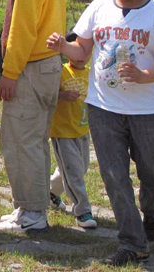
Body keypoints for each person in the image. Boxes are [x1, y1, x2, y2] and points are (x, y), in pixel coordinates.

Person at [46, 0, 154, 267]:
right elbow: (82, 52)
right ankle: (133, 243)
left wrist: (144, 74)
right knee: (115, 177)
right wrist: (62, 46)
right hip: (103, 109)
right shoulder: (98, 7)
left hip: (145, 111)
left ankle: (151, 212)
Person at [0, 0, 67, 233]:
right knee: (34, 141)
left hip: (30, 68)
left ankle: (32, 213)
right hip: (48, 66)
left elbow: (22, 27)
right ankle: (31, 208)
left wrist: (10, 73)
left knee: (20, 141)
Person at [47, 32, 97, 229]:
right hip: (62, 132)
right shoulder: (60, 72)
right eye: (76, 49)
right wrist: (61, 95)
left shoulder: (92, 73)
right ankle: (82, 210)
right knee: (74, 172)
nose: (82, 55)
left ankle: (50, 192)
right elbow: (47, 95)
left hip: (83, 130)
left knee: (80, 168)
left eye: (86, 51)